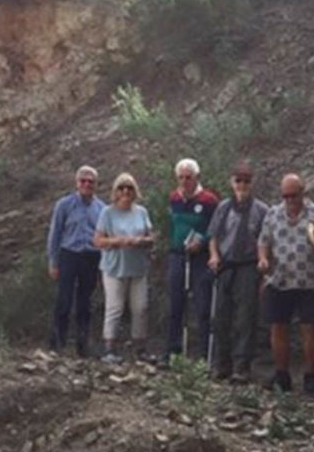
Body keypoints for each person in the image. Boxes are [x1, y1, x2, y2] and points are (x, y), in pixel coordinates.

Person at [257, 173, 314, 394]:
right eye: (285, 196)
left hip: (309, 279)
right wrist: (263, 259)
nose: (289, 200)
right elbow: (264, 242)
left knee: (310, 329)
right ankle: (282, 375)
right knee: (278, 327)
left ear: (303, 192)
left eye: (293, 195)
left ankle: (311, 375)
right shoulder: (273, 214)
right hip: (279, 278)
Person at [206, 160, 269, 383]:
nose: (242, 184)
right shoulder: (223, 207)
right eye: (238, 180)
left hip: (248, 267)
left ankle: (241, 368)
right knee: (221, 316)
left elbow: (266, 241)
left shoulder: (262, 210)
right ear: (232, 182)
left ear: (252, 183)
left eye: (246, 181)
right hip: (225, 265)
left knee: (245, 318)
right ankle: (220, 364)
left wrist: (264, 263)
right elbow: (213, 236)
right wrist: (214, 255)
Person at [93, 173, 155, 364]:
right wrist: (118, 241)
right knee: (114, 308)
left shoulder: (142, 212)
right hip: (114, 267)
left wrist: (141, 241)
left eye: (129, 187)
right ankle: (109, 349)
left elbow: (151, 237)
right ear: (115, 191)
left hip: (138, 267)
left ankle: (140, 349)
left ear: (135, 191)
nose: (125, 191)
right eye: (121, 188)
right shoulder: (107, 213)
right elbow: (98, 240)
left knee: (141, 307)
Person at [164, 158, 220, 361]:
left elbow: (215, 230)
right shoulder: (174, 198)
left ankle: (204, 355)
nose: (185, 181)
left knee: (202, 306)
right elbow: (174, 225)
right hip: (178, 255)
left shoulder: (209, 200)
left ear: (197, 177)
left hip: (201, 258)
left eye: (189, 177)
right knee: (176, 304)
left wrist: (202, 242)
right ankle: (173, 352)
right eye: (181, 177)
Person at [47, 165, 105, 356]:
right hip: (69, 254)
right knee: (63, 300)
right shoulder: (64, 205)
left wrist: (102, 268)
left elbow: (104, 238)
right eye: (83, 181)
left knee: (85, 303)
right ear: (77, 182)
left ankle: (83, 344)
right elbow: (55, 233)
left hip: (91, 257)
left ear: (96, 184)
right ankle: (58, 343)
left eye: (91, 181)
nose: (87, 184)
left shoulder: (102, 209)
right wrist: (53, 262)